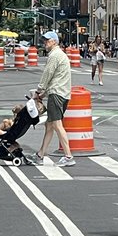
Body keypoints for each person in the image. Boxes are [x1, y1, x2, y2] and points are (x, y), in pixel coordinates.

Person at [30, 30, 74, 166]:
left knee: (56, 124)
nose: (45, 43)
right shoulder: (61, 55)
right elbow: (57, 78)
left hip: (57, 94)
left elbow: (48, 74)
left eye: (47, 40)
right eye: (44, 40)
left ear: (54, 41)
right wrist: (43, 94)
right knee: (49, 125)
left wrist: (39, 90)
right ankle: (40, 155)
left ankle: (68, 156)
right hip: (62, 93)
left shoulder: (55, 55)